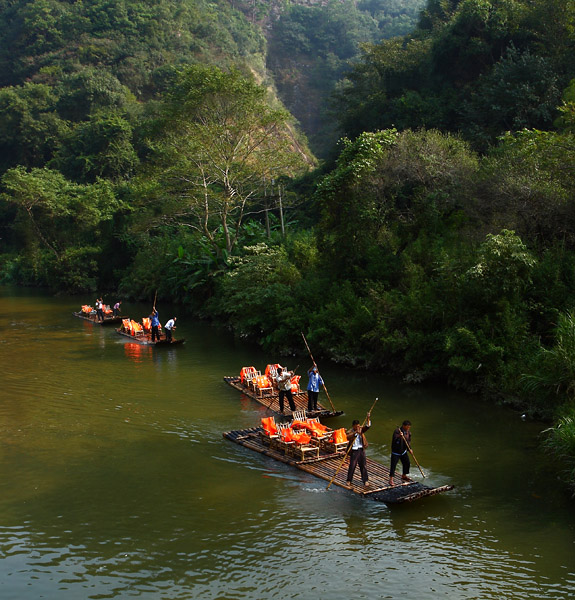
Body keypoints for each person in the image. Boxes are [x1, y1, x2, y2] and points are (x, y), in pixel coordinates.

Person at [346, 413, 371, 488]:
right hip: (354, 450)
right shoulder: (350, 431)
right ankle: (349, 480)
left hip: (361, 449)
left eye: (358, 426)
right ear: (353, 426)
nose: (357, 427)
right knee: (352, 465)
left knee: (363, 465)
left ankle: (365, 480)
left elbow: (367, 426)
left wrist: (368, 418)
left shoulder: (361, 430)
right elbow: (348, 437)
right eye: (356, 426)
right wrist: (355, 433)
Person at [389, 420, 412, 486]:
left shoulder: (408, 433)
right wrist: (400, 436)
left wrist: (409, 449)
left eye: (409, 427)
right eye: (407, 427)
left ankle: (404, 475)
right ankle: (391, 480)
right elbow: (395, 439)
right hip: (396, 452)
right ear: (404, 426)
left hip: (403, 451)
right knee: (393, 466)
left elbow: (408, 442)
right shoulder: (397, 431)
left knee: (407, 463)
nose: (408, 428)